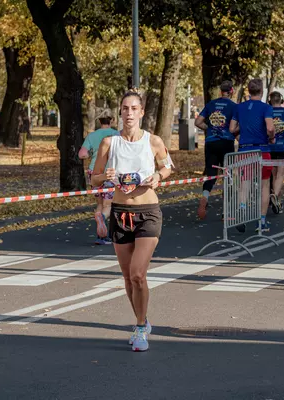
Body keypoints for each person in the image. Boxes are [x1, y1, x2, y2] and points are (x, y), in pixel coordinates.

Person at [91, 90, 174, 352]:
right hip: (120, 213)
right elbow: (93, 178)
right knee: (128, 277)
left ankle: (139, 328)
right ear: (120, 112)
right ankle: (143, 319)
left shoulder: (153, 141)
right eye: (125, 108)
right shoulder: (109, 143)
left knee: (138, 273)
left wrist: (158, 177)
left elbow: (168, 166)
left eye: (134, 108)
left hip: (147, 212)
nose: (129, 113)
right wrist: (105, 176)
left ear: (141, 112)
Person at [230, 79, 275, 232]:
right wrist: (272, 137)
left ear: (248, 91)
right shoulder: (266, 108)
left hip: (244, 150)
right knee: (264, 185)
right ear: (262, 91)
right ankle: (261, 221)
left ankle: (242, 213)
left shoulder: (239, 107)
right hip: (262, 150)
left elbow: (231, 129)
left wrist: (243, 130)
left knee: (245, 183)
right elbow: (270, 128)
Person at [195, 80, 236, 220]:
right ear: (231, 91)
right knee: (228, 175)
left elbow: (198, 122)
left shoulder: (211, 104)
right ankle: (226, 211)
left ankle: (205, 197)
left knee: (211, 174)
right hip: (226, 143)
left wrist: (209, 128)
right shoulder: (234, 106)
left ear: (221, 91)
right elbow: (235, 126)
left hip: (211, 142)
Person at [79, 111, 119, 245]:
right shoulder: (116, 135)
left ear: (99, 121)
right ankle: (102, 217)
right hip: (110, 172)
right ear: (111, 121)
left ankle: (101, 236)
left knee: (100, 204)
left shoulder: (92, 136)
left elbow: (82, 154)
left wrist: (92, 154)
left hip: (93, 172)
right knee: (108, 205)